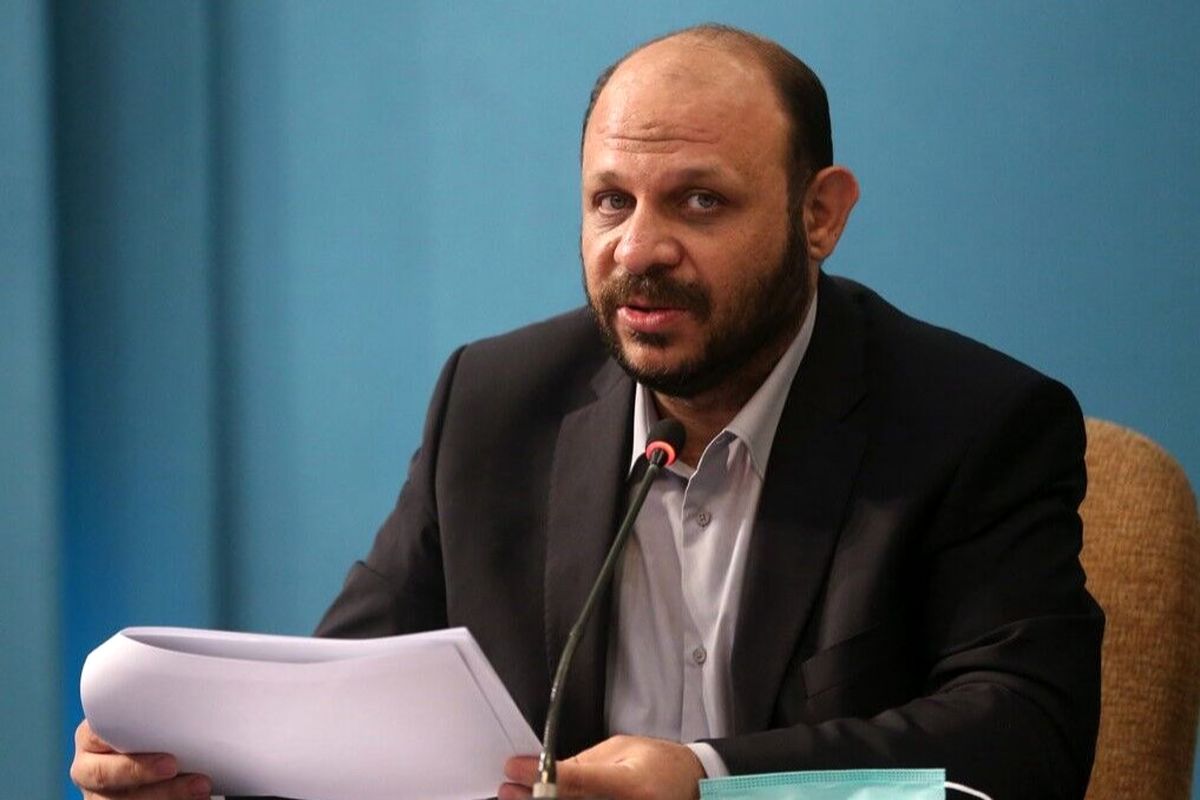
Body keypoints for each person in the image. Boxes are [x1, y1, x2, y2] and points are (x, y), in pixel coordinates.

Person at [71, 23, 1103, 800]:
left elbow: (1023, 734)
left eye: (700, 200)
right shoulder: (494, 405)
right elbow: (343, 703)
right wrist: (202, 768)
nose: (638, 249)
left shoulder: (974, 422)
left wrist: (707, 778)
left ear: (819, 214)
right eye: (613, 200)